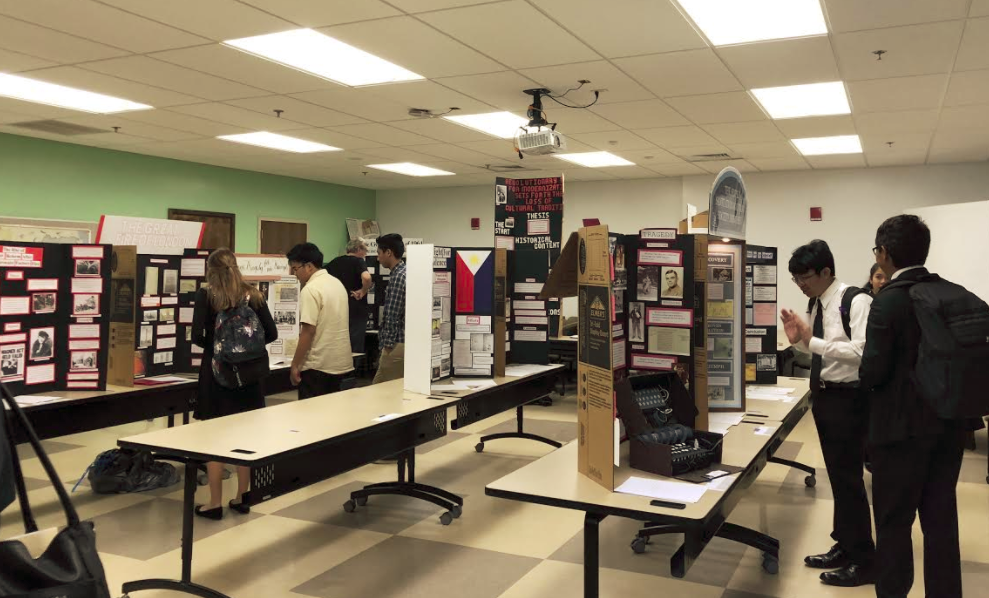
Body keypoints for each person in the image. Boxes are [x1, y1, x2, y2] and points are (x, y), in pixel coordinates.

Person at [859, 215, 984, 598]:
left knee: (894, 524)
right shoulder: (953, 292)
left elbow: (873, 373)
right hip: (949, 425)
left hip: (898, 433)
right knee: (941, 521)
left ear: (884, 254)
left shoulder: (888, 303)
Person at [779, 240, 875, 587]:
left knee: (849, 481)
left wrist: (813, 343)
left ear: (825, 272)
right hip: (825, 396)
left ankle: (865, 560)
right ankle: (845, 544)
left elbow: (863, 352)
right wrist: (798, 341)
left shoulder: (856, 300)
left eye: (804, 276)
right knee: (839, 477)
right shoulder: (816, 302)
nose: (801, 283)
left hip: (850, 399)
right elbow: (817, 348)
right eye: (796, 278)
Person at [191, 248, 277, 520]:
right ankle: (242, 497)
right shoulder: (254, 295)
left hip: (216, 376)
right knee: (246, 436)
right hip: (249, 377)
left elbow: (197, 336)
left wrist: (221, 351)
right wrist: (245, 351)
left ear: (210, 270)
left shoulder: (206, 296)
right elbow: (272, 333)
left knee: (214, 438)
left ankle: (213, 503)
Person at [287, 243, 354, 399]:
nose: (294, 274)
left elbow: (308, 332)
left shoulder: (311, 289)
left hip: (317, 366)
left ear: (309, 266)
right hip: (339, 363)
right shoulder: (336, 283)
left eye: (295, 269)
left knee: (311, 417)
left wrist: (295, 364)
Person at [327, 238, 373, 354]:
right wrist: (363, 291)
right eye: (365, 250)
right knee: (354, 347)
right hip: (355, 308)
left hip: (336, 309)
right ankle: (354, 371)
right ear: (358, 249)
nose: (366, 253)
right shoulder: (359, 261)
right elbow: (367, 278)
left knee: (338, 344)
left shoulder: (334, 262)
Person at [373, 233, 406, 384]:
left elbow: (393, 314)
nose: (378, 258)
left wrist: (387, 346)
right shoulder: (405, 272)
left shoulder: (398, 277)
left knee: (380, 389)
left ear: (389, 253)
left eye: (379, 253)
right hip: (403, 342)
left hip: (396, 344)